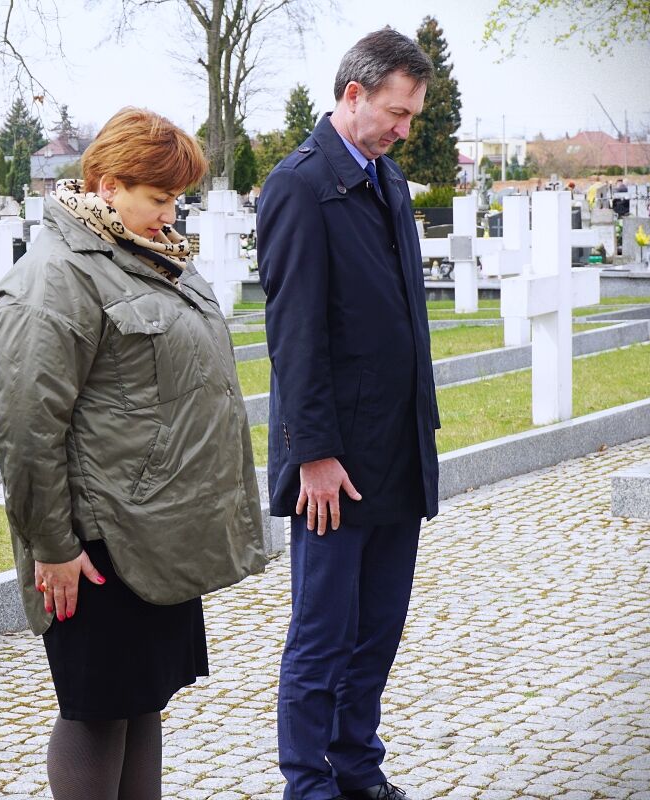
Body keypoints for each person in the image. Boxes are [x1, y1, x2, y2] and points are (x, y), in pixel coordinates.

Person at [0, 107, 266, 800]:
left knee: (143, 702)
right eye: (159, 197)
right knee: (98, 710)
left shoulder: (146, 256)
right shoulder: (56, 277)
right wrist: (54, 546)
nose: (171, 213)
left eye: (177, 198)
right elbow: (27, 429)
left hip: (155, 535)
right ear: (107, 185)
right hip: (97, 545)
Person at [257, 29, 440, 800]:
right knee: (323, 637)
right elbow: (294, 334)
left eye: (412, 116)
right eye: (397, 112)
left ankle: (358, 770)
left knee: (376, 635)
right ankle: (308, 784)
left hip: (396, 450)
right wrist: (314, 454)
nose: (404, 129)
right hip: (334, 463)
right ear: (354, 94)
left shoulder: (387, 180)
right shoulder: (299, 186)